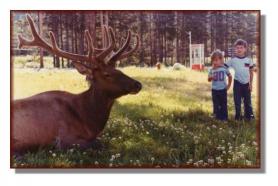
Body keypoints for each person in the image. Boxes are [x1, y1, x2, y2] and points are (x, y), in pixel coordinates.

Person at [225, 39, 255, 121]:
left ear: (245, 49)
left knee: (247, 102)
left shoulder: (249, 60)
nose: (239, 49)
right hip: (237, 83)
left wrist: (251, 84)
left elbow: (251, 73)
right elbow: (224, 66)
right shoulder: (233, 60)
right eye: (237, 48)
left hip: (246, 84)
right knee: (237, 102)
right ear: (235, 49)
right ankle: (238, 117)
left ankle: (249, 117)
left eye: (241, 47)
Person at [208, 50, 232, 121]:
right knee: (216, 104)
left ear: (221, 60)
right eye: (213, 60)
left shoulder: (224, 68)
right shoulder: (211, 69)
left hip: (223, 90)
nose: (214, 62)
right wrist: (211, 77)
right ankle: (217, 117)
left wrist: (228, 85)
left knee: (223, 104)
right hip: (214, 90)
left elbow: (230, 76)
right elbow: (208, 79)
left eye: (216, 60)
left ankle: (224, 118)